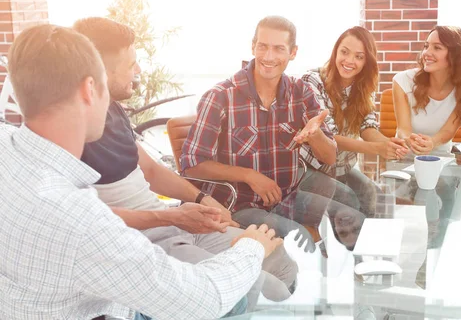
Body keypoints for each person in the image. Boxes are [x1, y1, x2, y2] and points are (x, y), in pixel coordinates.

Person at [0, 24, 282, 320]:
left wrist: (196, 202)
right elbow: (203, 300)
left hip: (64, 300)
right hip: (109, 308)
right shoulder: (80, 221)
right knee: (234, 300)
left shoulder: (7, 148)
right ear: (90, 90)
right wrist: (252, 247)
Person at [73, 17, 297, 308]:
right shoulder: (74, 132)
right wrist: (171, 218)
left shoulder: (112, 110)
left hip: (174, 222)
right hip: (147, 240)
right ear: (100, 70)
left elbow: (151, 170)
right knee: (237, 294)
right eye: (131, 64)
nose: (139, 70)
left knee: (279, 262)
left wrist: (202, 199)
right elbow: (86, 219)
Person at [180, 15, 338, 250]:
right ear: (253, 46)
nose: (268, 56)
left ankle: (354, 277)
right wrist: (249, 175)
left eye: (279, 48)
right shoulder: (221, 97)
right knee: (302, 238)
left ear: (293, 52)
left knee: (351, 210)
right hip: (238, 206)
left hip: (286, 198)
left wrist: (315, 135)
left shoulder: (301, 93)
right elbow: (191, 165)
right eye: (262, 46)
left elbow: (330, 157)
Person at [301, 26, 408, 216]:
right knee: (348, 200)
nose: (349, 61)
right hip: (312, 168)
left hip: (343, 167)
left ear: (367, 61)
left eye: (359, 56)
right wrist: (378, 149)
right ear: (336, 52)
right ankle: (331, 244)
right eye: (344, 52)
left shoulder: (363, 86)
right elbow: (329, 137)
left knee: (371, 194)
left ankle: (360, 245)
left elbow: (367, 127)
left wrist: (390, 143)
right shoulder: (313, 80)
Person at [392, 25, 461, 155]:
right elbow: (403, 129)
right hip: (404, 157)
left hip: (441, 159)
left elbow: (448, 131)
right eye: (426, 46)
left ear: (456, 55)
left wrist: (432, 142)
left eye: (437, 48)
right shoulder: (403, 81)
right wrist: (409, 139)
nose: (426, 53)